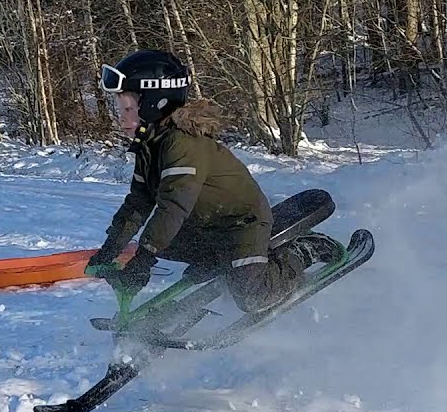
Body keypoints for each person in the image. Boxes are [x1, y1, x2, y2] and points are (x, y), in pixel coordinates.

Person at [85, 49, 308, 314]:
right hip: (205, 226)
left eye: (127, 108)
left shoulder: (182, 144)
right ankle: (224, 264)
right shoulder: (150, 146)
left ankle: (303, 252)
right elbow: (138, 204)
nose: (120, 116)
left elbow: (173, 207)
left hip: (240, 223)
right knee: (163, 245)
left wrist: (143, 260)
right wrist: (110, 249)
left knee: (253, 299)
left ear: (154, 103)